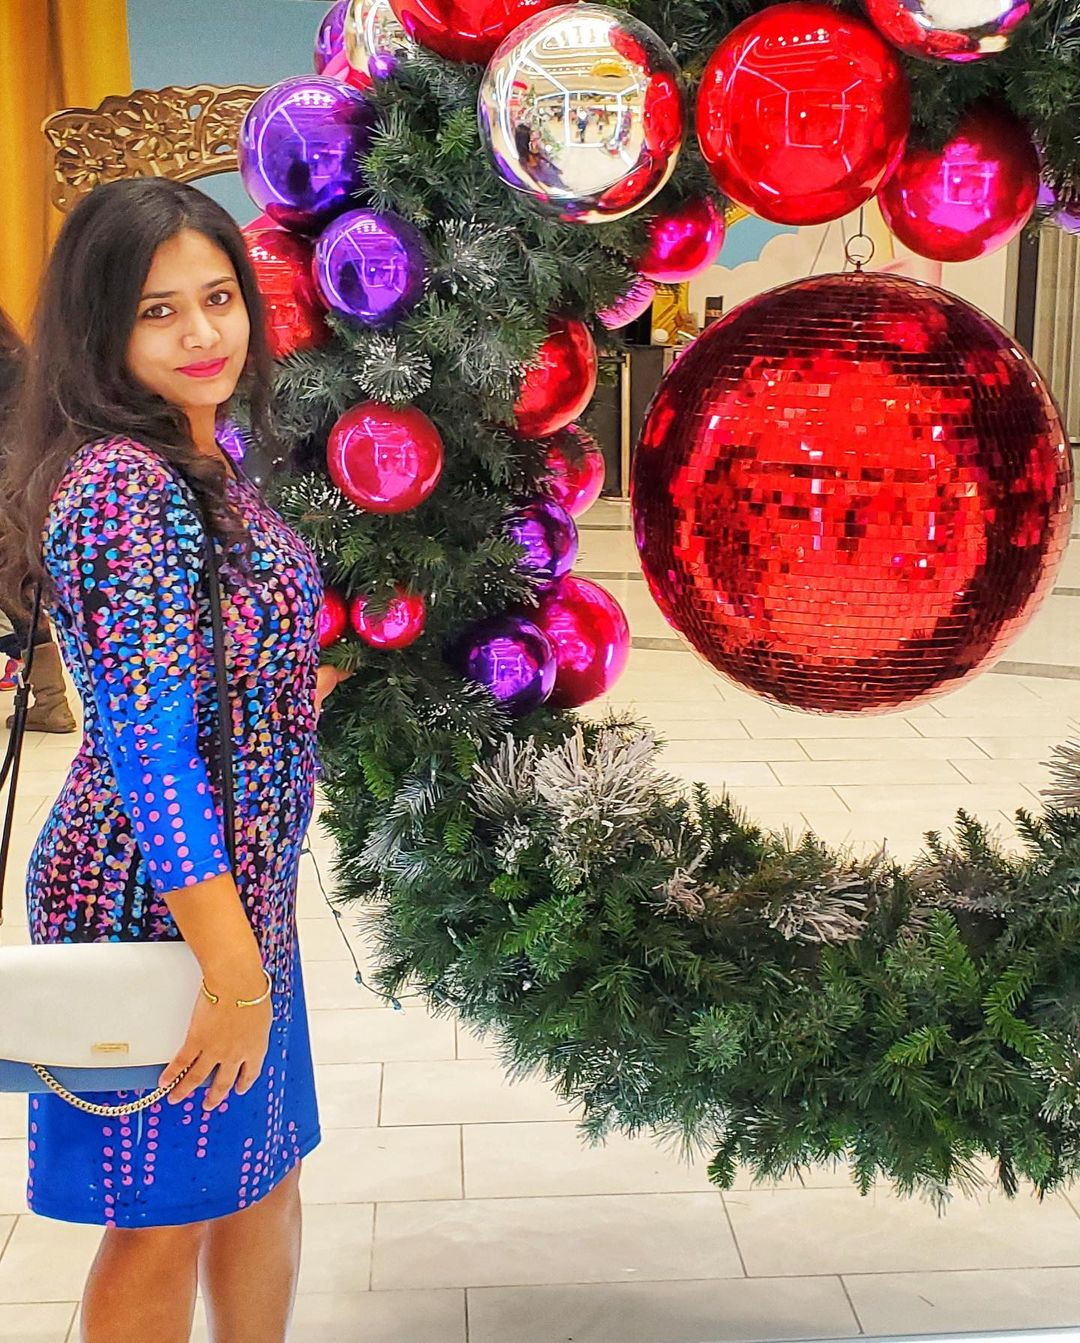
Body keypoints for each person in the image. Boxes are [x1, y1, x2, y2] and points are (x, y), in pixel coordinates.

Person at [0, 176, 351, 1343]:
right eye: (158, 311)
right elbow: (151, 754)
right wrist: (232, 972)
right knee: (160, 1215)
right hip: (154, 897)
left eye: (218, 296)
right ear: (101, 327)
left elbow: (218, 671)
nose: (203, 333)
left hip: (238, 897)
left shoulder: (211, 452)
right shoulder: (120, 484)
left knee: (261, 1173)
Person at [0, 309, 77, 728]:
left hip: (6, 494)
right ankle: (51, 700)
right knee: (20, 598)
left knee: (18, 599)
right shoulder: (23, 362)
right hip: (25, 492)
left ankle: (51, 702)